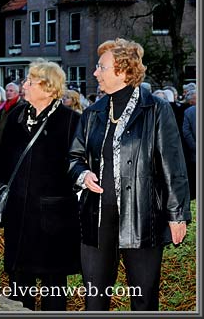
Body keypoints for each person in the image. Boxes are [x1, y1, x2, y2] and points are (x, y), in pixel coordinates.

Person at [68, 38, 191, 311]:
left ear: (122, 71)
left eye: (101, 67)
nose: (95, 73)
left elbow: (173, 165)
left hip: (142, 219)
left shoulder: (157, 110)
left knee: (144, 299)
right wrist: (83, 174)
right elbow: (73, 158)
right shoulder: (91, 114)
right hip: (96, 221)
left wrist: (177, 215)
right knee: (94, 301)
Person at [0, 60, 81, 311]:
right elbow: (1, 159)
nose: (24, 85)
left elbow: (78, 165)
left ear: (48, 88)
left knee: (53, 285)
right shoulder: (15, 116)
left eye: (30, 81)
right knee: (19, 283)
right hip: (18, 214)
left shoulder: (70, 120)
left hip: (53, 218)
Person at [182, 90, 196, 201]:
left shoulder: (189, 111)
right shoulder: (190, 111)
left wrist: (194, 147)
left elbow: (186, 132)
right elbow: (186, 131)